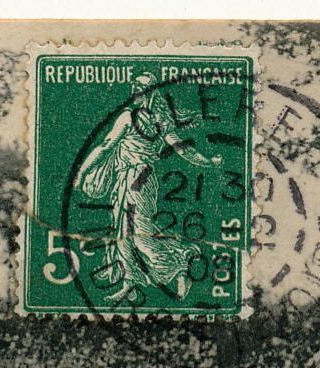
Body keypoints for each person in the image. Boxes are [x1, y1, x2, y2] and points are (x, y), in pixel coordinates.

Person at [75, 73, 224, 304]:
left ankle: (183, 261)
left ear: (151, 91)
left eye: (141, 87)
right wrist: (82, 171)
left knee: (140, 235)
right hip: (126, 178)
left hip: (140, 180)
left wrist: (208, 162)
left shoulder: (147, 119)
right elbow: (106, 146)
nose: (135, 90)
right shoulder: (134, 116)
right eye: (134, 86)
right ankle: (130, 282)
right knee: (122, 232)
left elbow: (182, 149)